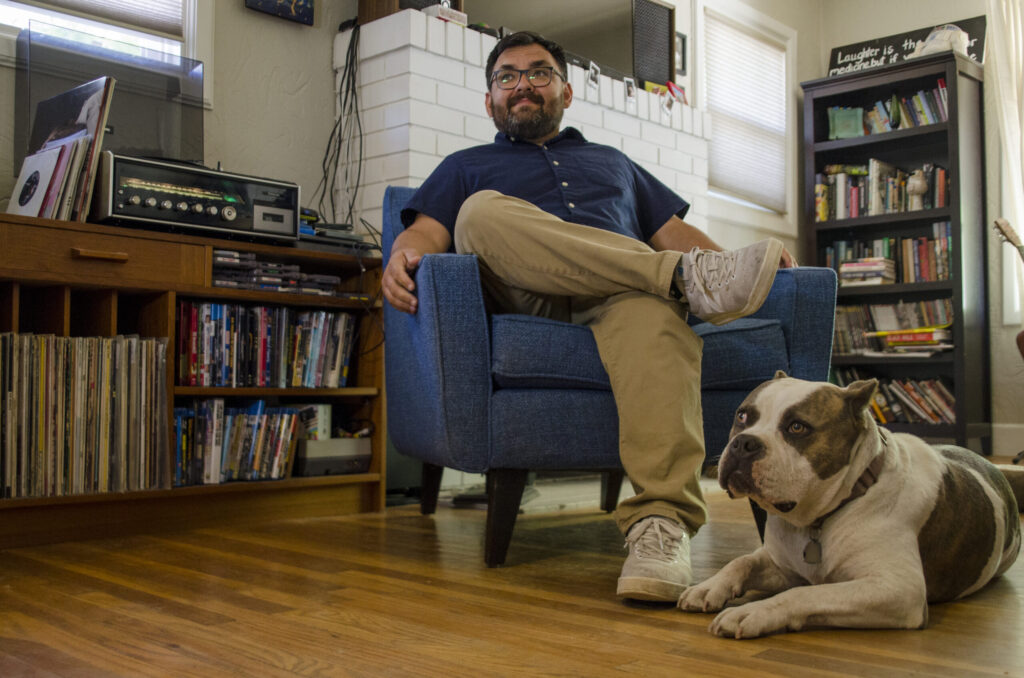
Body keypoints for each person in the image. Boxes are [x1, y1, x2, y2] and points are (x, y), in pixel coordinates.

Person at [382, 30, 797, 602]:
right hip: (526, 294)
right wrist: (400, 255)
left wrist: (740, 266)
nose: (522, 84)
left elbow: (672, 232)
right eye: (506, 76)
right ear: (490, 99)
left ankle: (661, 526)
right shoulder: (465, 166)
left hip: (620, 296)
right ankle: (680, 279)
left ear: (566, 92)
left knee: (657, 318)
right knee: (478, 214)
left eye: (539, 72)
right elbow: (426, 233)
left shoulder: (613, 163)